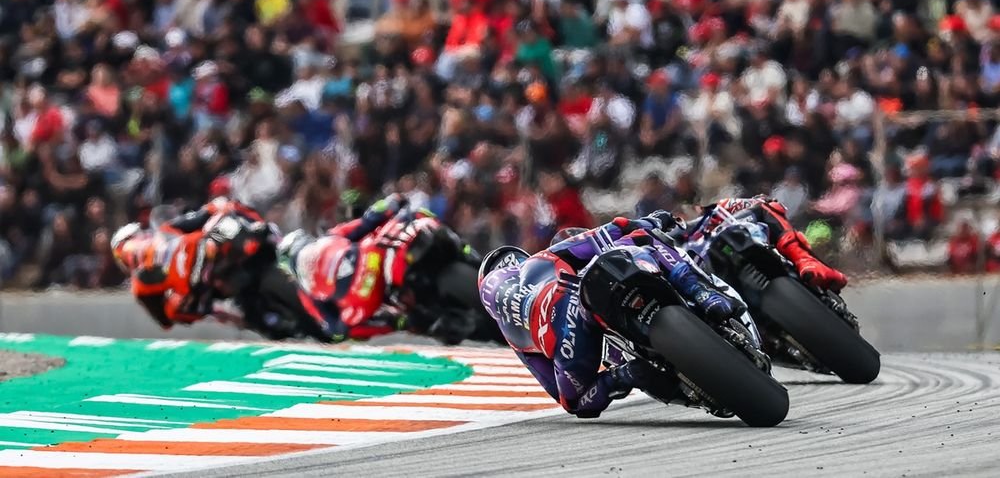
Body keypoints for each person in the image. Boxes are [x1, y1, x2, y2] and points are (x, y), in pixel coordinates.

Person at [478, 211, 740, 418]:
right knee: (642, 237)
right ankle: (702, 291)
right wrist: (651, 220)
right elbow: (605, 233)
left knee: (577, 403)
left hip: (566, 342)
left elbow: (559, 394)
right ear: (517, 260)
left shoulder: (512, 336)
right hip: (572, 295)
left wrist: (613, 378)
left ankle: (630, 374)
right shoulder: (537, 262)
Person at [279, 193, 475, 343]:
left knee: (414, 215)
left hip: (370, 268)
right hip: (366, 289)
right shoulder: (307, 293)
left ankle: (465, 250)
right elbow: (333, 327)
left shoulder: (330, 238)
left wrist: (389, 204)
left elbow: (366, 222)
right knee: (361, 326)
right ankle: (414, 322)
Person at [110, 198, 272, 328]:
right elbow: (164, 318)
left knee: (221, 214)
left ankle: (252, 231)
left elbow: (164, 321)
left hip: (197, 275)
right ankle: (251, 233)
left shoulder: (139, 284)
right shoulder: (141, 283)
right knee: (220, 214)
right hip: (197, 278)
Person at [684, 196, 847, 291]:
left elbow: (772, 204)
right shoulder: (676, 247)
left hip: (761, 248)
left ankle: (806, 261)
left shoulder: (720, 209)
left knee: (765, 207)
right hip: (719, 285)